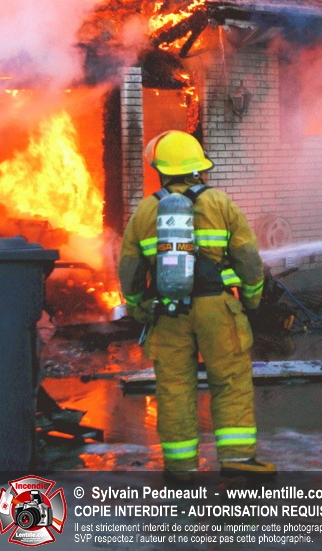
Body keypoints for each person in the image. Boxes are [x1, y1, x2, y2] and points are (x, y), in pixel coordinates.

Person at [119, 129, 276, 481]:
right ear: (198, 169)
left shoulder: (146, 210)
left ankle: (180, 467)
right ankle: (237, 458)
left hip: (168, 312)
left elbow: (129, 267)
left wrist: (138, 308)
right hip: (217, 309)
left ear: (161, 170)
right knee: (230, 381)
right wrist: (252, 300)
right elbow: (249, 259)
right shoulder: (220, 203)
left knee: (174, 389)